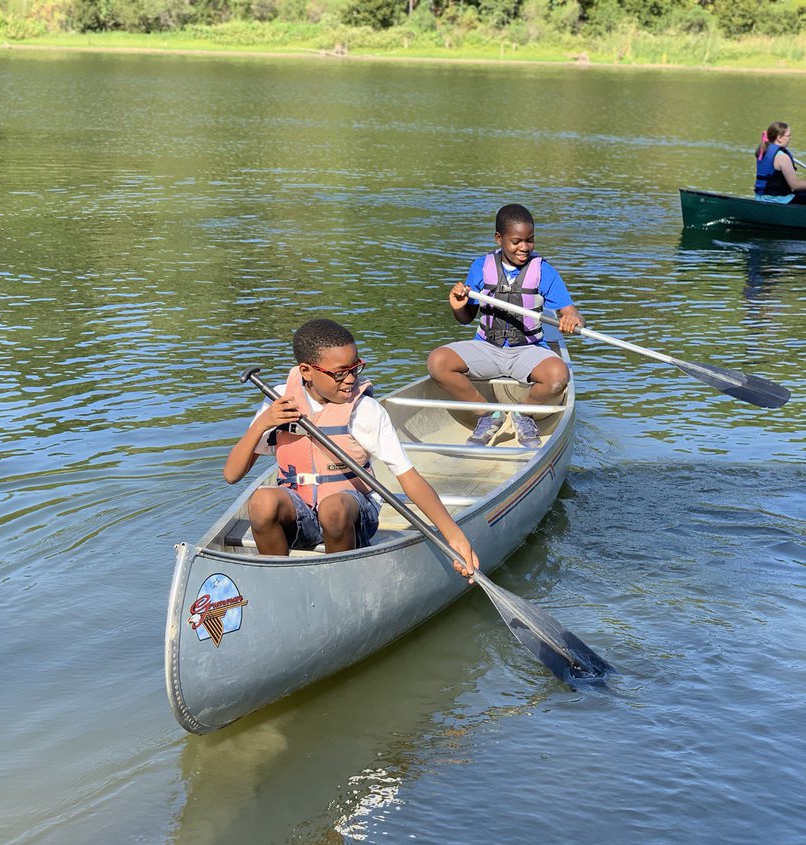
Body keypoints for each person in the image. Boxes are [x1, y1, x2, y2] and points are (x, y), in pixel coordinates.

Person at [223, 318, 478, 578]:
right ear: (306, 371)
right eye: (340, 373)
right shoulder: (278, 401)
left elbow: (408, 477)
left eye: (355, 368)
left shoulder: (364, 410)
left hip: (352, 514)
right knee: (262, 501)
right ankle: (277, 580)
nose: (350, 379)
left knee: (332, 508)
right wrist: (263, 424)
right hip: (300, 512)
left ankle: (340, 579)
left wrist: (454, 536)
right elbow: (232, 475)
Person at [427, 203, 584, 447]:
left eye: (530, 240)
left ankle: (524, 414)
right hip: (487, 347)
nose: (524, 247)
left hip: (528, 350)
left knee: (558, 375)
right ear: (499, 239)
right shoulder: (481, 267)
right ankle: (489, 415)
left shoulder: (544, 271)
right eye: (516, 241)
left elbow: (572, 313)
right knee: (438, 362)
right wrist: (458, 306)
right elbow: (466, 318)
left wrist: (572, 319)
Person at [754, 121, 806, 204]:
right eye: (788, 135)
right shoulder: (782, 157)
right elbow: (795, 185)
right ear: (779, 138)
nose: (790, 138)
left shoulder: (763, 151)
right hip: (778, 200)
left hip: (760, 198)